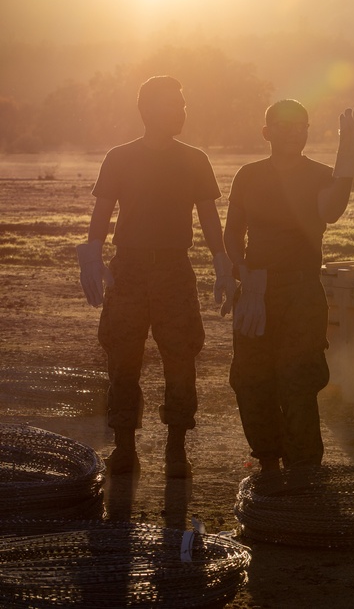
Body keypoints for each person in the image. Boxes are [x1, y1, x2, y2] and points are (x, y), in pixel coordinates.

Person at [77, 75, 235, 478]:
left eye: (183, 104)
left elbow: (209, 216)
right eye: (174, 104)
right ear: (149, 110)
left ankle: (176, 448)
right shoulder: (120, 157)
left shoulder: (194, 159)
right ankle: (125, 447)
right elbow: (102, 211)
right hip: (127, 267)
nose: (183, 111)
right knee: (122, 357)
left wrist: (221, 261)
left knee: (181, 356)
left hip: (174, 267)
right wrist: (93, 254)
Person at [224, 99, 354, 473]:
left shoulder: (321, 174)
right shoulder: (248, 175)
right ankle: (268, 460)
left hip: (301, 293)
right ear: (266, 132)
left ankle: (304, 467)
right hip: (256, 292)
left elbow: (331, 212)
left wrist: (348, 162)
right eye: (285, 125)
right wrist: (244, 277)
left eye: (301, 125)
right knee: (251, 379)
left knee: (297, 381)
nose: (294, 132)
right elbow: (232, 233)